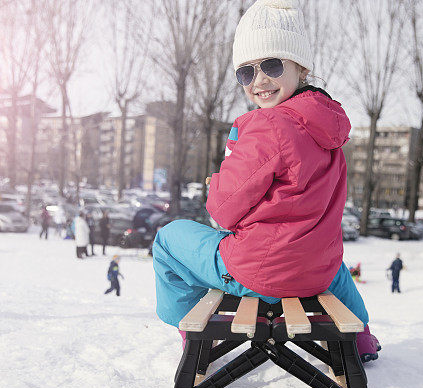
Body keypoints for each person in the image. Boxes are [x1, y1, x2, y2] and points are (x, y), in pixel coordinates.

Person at [152, 0, 380, 363]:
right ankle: (362, 336)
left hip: (261, 270)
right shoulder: (329, 127)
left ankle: (191, 332)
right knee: (325, 256)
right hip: (317, 268)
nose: (258, 80)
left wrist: (218, 182)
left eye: (272, 65)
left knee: (169, 238)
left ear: (300, 66)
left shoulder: (267, 124)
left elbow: (223, 212)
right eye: (246, 72)